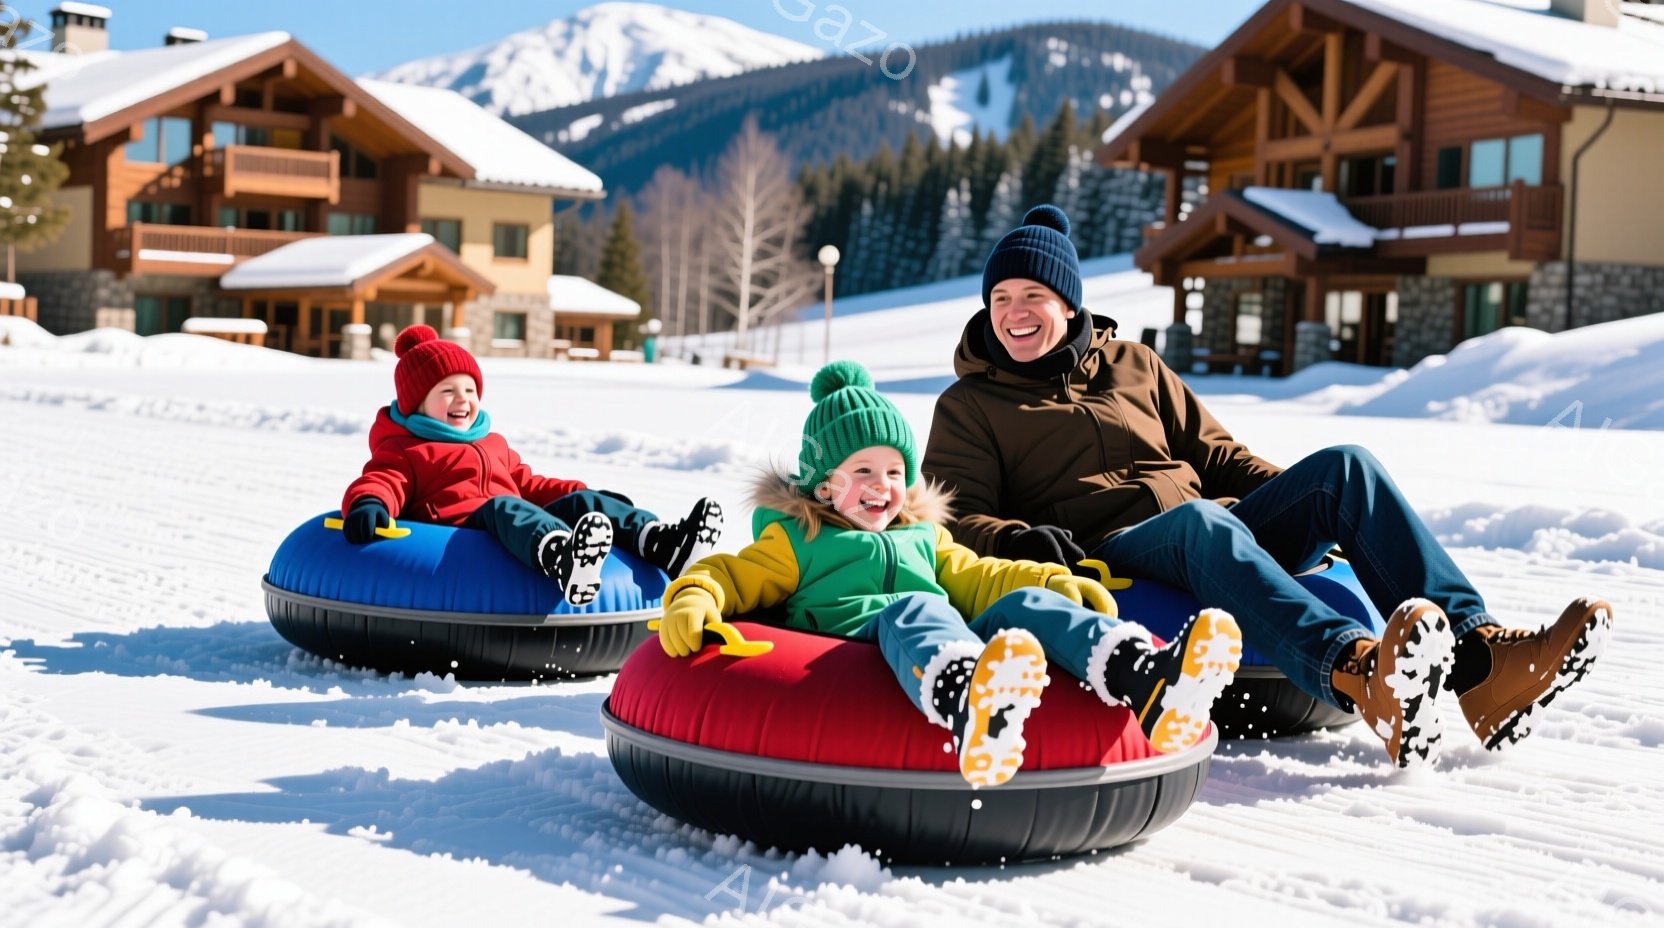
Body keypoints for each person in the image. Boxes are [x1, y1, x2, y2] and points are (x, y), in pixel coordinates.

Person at [923, 204, 1613, 769]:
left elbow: (1218, 456)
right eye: (1001, 299)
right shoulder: (971, 404)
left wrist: (1312, 509)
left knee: (1346, 467)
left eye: (1033, 296)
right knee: (1204, 525)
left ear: (1069, 305)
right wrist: (1019, 538)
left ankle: (1484, 660)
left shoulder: (1134, 364)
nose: (1015, 313)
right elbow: (954, 519)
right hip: (1116, 545)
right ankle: (1354, 670)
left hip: (1210, 521)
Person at [656, 361, 1242, 787]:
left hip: (943, 635)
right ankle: (969, 701)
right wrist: (693, 595)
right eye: (862, 470)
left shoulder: (925, 538)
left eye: (893, 471)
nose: (882, 487)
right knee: (915, 608)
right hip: (864, 648)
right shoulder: (798, 541)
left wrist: (1049, 584)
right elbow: (731, 574)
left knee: (1016, 611)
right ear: (823, 483)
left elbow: (981, 576)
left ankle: (1142, 675)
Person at [340, 324, 722, 604]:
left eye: (470, 390)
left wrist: (582, 493)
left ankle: (665, 545)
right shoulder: (407, 449)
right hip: (462, 532)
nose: (463, 400)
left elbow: (528, 483)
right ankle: (564, 558)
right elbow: (382, 479)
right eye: (447, 391)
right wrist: (369, 503)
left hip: (512, 520)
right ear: (416, 402)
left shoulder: (490, 442)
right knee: (504, 507)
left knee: (580, 503)